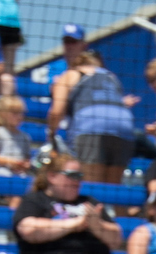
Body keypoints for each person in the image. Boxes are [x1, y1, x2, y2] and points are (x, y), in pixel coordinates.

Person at [48, 44, 131, 185]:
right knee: (114, 191)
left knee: (92, 189)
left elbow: (57, 110)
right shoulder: (111, 76)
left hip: (92, 125)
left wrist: (50, 133)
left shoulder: (70, 74)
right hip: (124, 126)